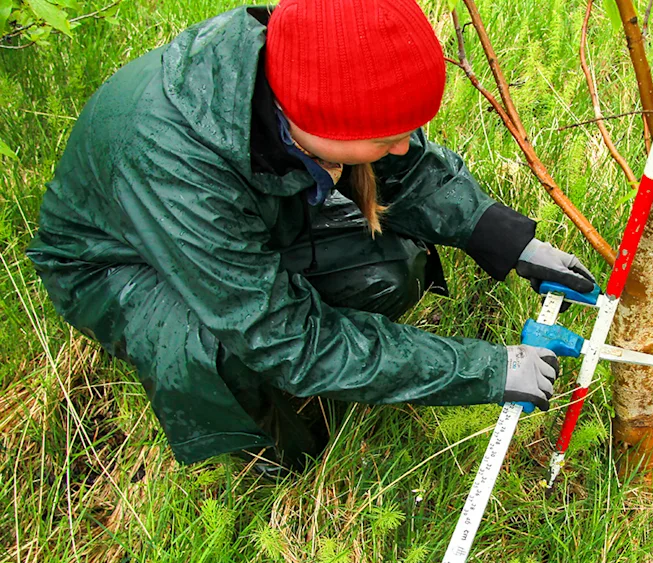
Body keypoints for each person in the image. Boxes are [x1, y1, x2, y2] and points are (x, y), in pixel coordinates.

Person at [27, 0, 597, 474]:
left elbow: (407, 167)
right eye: (386, 138)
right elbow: (281, 335)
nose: (402, 147)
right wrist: (484, 370)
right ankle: (276, 457)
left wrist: (505, 240)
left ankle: (327, 375)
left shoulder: (306, 69)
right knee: (223, 347)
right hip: (117, 264)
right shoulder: (175, 160)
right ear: (317, 127)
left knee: (389, 265)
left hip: (238, 221)